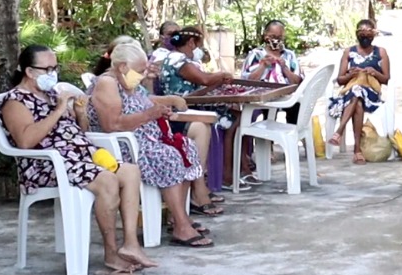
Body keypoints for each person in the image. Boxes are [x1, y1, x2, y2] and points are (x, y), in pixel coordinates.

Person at [2, 45, 156, 275]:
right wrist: (58, 110)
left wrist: (80, 114)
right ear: (29, 71)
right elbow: (26, 141)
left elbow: (77, 132)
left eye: (55, 68)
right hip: (47, 165)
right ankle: (111, 254)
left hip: (80, 158)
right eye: (47, 69)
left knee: (130, 172)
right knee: (107, 180)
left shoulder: (52, 94)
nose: (53, 74)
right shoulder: (15, 101)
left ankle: (130, 245)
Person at [87, 43, 217, 245]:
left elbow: (145, 104)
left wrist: (160, 111)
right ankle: (181, 226)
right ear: (122, 67)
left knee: (187, 148)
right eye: (140, 71)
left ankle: (178, 216)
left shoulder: (126, 82)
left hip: (145, 140)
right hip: (123, 147)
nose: (142, 75)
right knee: (168, 156)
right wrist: (149, 115)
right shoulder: (107, 83)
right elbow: (112, 124)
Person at [159, 26, 244, 186]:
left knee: (236, 114)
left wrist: (218, 80)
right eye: (199, 45)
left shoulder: (179, 59)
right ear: (191, 42)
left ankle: (236, 169)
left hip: (191, 104)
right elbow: (204, 79)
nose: (199, 50)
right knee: (233, 119)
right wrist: (222, 74)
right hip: (183, 109)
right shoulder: (178, 60)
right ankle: (225, 174)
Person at [327, 19, 392, 164]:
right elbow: (340, 80)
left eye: (369, 33)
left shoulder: (381, 52)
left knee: (358, 92)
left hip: (372, 95)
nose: (365, 36)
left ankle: (339, 131)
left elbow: (386, 79)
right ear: (357, 34)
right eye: (362, 33)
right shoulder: (348, 52)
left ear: (374, 35)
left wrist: (374, 72)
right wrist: (350, 75)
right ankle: (357, 150)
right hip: (350, 93)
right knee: (357, 98)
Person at [243, 19, 303, 123]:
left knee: (296, 106)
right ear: (265, 36)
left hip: (286, 96)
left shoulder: (289, 55)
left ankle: (291, 132)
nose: (276, 40)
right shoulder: (255, 55)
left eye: (279, 37)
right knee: (266, 114)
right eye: (272, 37)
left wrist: (285, 68)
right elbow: (247, 82)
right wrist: (263, 66)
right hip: (262, 98)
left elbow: (297, 82)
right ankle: (266, 132)